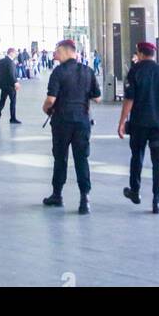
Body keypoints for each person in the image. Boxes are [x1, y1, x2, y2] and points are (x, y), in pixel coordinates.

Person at [42, 39, 101, 214]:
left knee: (60, 158)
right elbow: (97, 97)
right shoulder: (88, 72)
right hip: (82, 121)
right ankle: (84, 199)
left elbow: (50, 100)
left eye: (58, 52)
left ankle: (57, 195)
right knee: (81, 159)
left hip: (62, 122)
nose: (56, 55)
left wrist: (46, 109)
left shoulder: (58, 72)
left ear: (67, 51)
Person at [118, 41, 159, 214]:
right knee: (158, 161)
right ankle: (157, 201)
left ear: (140, 53)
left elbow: (129, 99)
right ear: (153, 54)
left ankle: (135, 191)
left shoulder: (135, 71)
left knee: (137, 156)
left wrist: (122, 122)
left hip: (138, 124)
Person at [0, 48, 21, 124]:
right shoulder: (11, 62)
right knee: (13, 102)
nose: (15, 54)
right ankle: (12, 118)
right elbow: (12, 75)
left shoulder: (1, 61)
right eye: (15, 53)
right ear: (11, 53)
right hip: (11, 86)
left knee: (2, 100)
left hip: (3, 85)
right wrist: (15, 82)